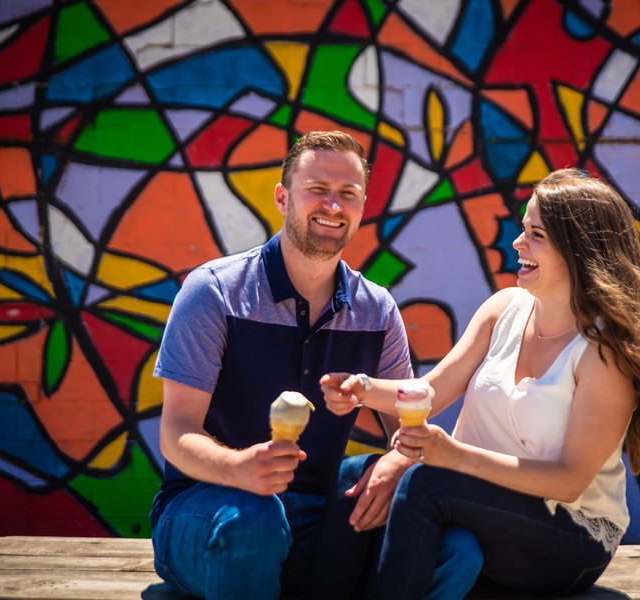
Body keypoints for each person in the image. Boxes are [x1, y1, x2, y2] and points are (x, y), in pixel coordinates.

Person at [321, 168, 640, 599]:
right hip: (484, 500)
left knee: (425, 484)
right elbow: (433, 390)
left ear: (576, 251)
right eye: (523, 230)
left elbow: (569, 480)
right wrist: (363, 388)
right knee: (355, 474)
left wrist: (452, 456)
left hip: (569, 535)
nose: (518, 243)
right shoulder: (504, 308)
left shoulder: (605, 351)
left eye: (536, 235)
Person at [149, 131, 477, 600]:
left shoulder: (378, 310)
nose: (333, 205)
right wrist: (239, 468)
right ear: (283, 197)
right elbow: (176, 432)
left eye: (348, 194)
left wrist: (396, 462)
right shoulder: (214, 292)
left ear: (363, 207)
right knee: (255, 520)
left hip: (324, 521)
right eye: (317, 189)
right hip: (207, 508)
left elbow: (407, 429)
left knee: (458, 548)